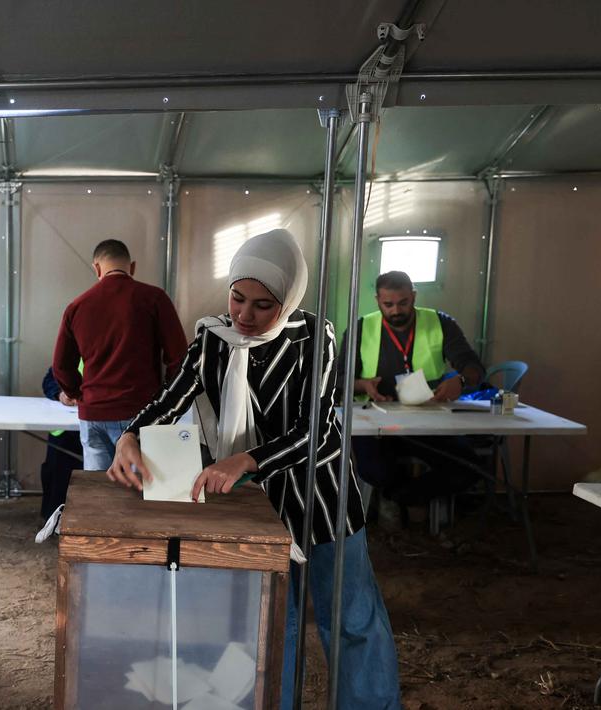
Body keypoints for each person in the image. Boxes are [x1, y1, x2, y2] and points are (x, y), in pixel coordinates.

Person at [109, 230, 401, 709]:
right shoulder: (213, 337)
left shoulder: (314, 338)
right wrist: (130, 435)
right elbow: (172, 395)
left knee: (350, 619)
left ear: (288, 300)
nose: (244, 315)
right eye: (237, 298)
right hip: (255, 508)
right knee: (268, 622)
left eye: (263, 305)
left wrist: (248, 459)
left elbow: (320, 430)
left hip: (321, 499)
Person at [348, 270, 486, 505]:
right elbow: (338, 380)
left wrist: (460, 380)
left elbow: (475, 369)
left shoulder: (440, 322)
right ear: (377, 301)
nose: (396, 311)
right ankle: (402, 502)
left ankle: (402, 498)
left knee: (470, 467)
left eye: (403, 303)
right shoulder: (362, 327)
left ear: (413, 296)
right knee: (375, 472)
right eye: (388, 304)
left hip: (427, 419)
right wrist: (361, 384)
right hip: (375, 422)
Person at [52, 239, 187, 471]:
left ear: (96, 268)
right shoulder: (155, 298)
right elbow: (179, 358)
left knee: (98, 492)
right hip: (142, 412)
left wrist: (78, 394)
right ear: (132, 267)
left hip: (93, 413)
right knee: (139, 492)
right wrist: (167, 399)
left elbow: (61, 366)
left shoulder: (77, 306)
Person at [38, 366, 83, 523]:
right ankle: (52, 521)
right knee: (55, 474)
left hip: (95, 428)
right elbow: (48, 381)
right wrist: (60, 394)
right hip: (63, 430)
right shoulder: (72, 355)